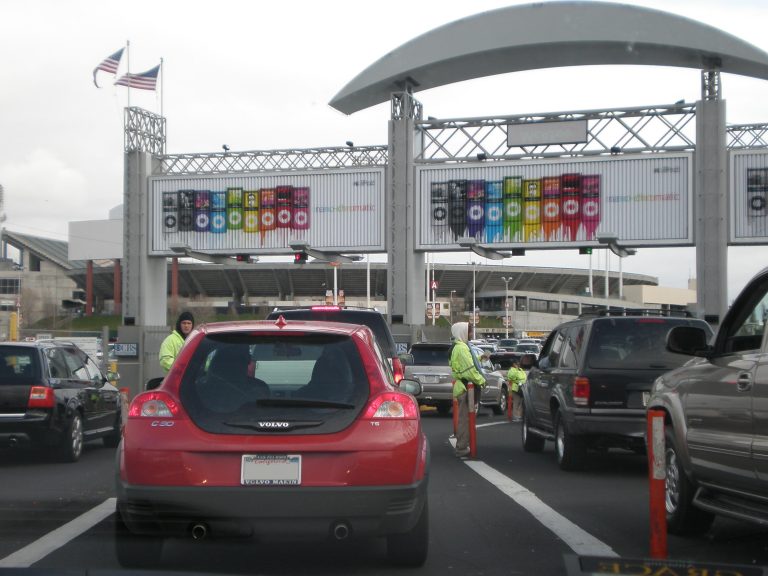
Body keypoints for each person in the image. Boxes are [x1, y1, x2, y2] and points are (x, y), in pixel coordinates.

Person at [449, 321, 486, 458]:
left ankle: (464, 446)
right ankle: (462, 448)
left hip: (462, 386)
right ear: (462, 332)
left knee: (466, 418)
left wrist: (479, 358)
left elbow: (467, 365)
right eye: (469, 331)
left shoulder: (460, 347)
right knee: (465, 419)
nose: (471, 334)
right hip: (466, 388)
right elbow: (469, 370)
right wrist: (482, 381)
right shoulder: (462, 348)